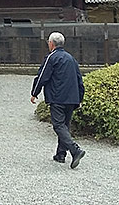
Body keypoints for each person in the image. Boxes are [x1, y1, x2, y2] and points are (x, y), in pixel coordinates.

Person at [30, 32, 86, 169]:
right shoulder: (71, 58)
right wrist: (80, 97)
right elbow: (80, 79)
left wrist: (34, 93)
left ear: (51, 44)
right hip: (72, 98)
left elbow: (43, 76)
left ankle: (75, 150)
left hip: (58, 97)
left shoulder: (52, 58)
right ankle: (60, 154)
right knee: (65, 126)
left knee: (58, 125)